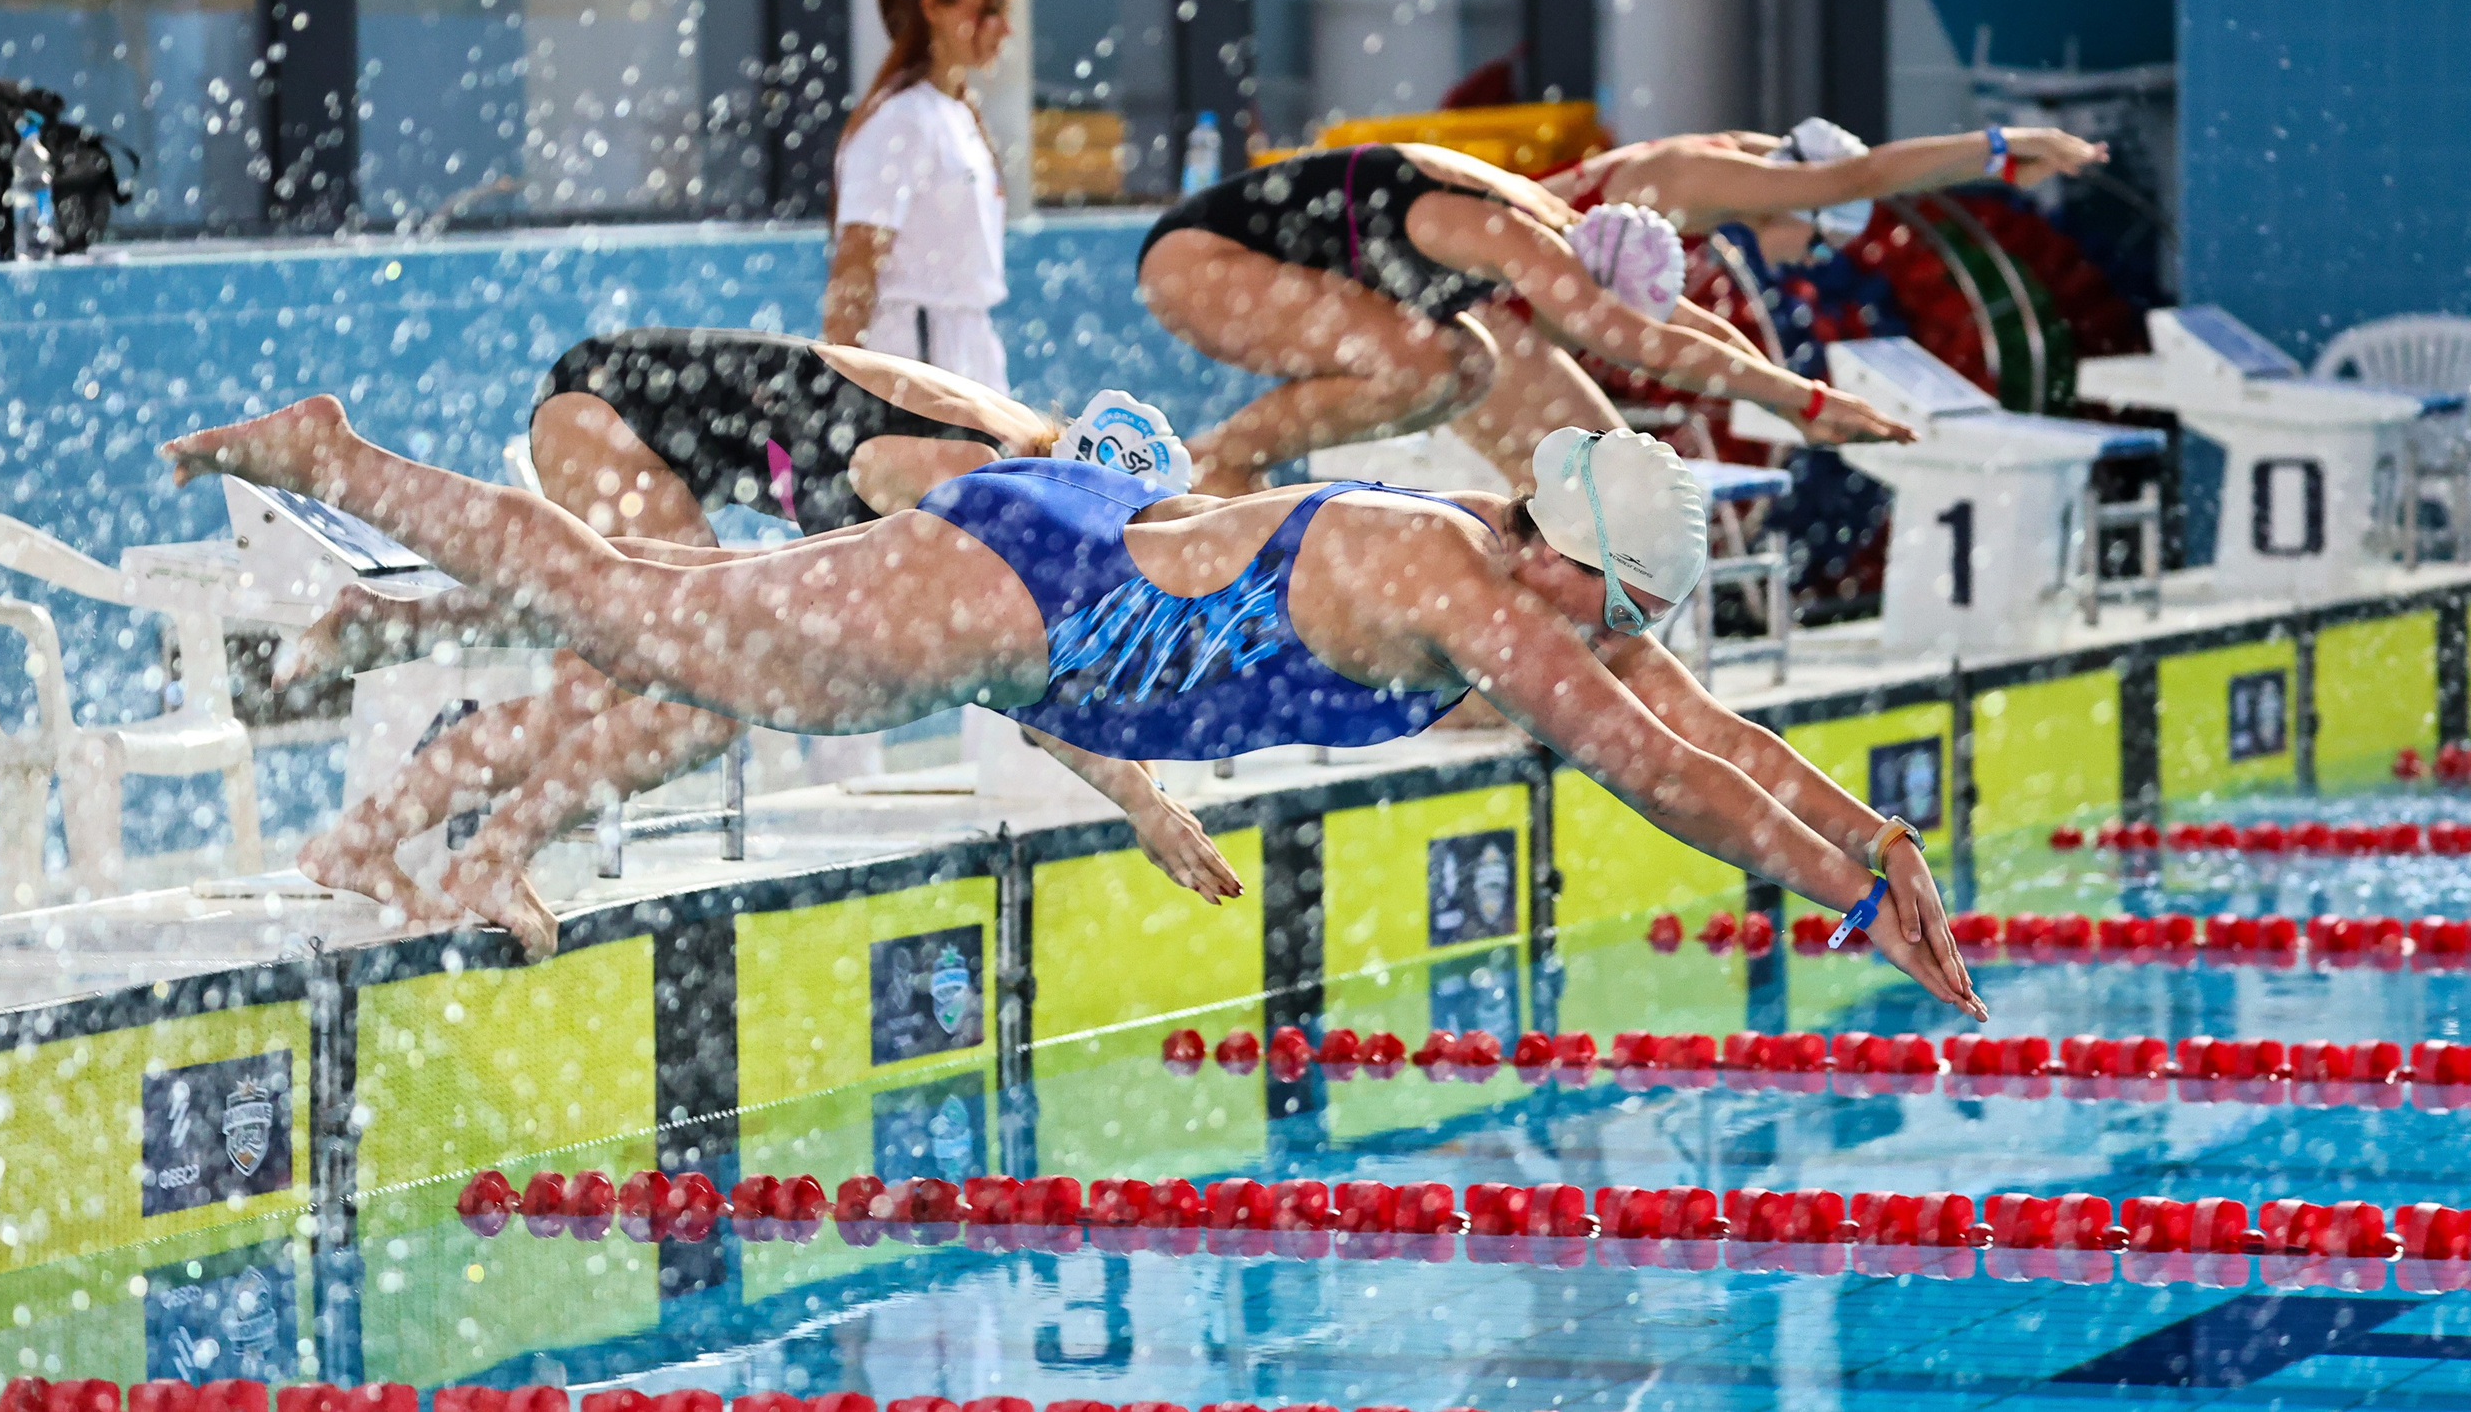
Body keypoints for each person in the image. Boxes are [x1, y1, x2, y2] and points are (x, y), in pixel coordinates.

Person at [164, 397, 1986, 1026]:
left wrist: (1868, 837)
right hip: (1027, 591)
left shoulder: (1521, 580)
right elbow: (1648, 764)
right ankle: (350, 473)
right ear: (1571, 559)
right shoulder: (1454, 587)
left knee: (663, 634)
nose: (1635, 638)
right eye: (1631, 604)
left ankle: (364, 604)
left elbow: (1708, 728)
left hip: (1042, 594)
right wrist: (1829, 897)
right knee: (647, 617)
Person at [279, 332, 1184, 944]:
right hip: (614, 414)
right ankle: (478, 834)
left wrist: (1139, 794)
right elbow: (1006, 679)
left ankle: (367, 831)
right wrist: (1140, 798)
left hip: (626, 409)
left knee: (611, 696)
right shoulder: (966, 474)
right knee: (693, 706)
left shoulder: (1013, 459)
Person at [1136, 142, 1917, 499]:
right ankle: (1217, 458)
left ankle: (1233, 462)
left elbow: (1676, 330)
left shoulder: (1568, 238)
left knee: (1465, 365)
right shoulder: (1513, 234)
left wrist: (1790, 397)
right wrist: (1810, 401)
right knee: (1425, 366)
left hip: (1256, 261)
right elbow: (1636, 340)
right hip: (1196, 263)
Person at [1444, 120, 2114, 473]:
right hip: (1481, 307)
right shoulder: (1715, 177)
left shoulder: (1724, 163)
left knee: (1604, 493)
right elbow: (1863, 172)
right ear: (1806, 206)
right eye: (1820, 244)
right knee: (1607, 497)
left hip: (1501, 299)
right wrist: (1999, 150)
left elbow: (1701, 329)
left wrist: (1792, 403)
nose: (1813, 263)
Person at [826, 0, 1016, 389]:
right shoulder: (900, 120)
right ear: (932, 8)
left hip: (965, 348)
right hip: (919, 354)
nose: (1004, 29)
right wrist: (838, 386)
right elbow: (855, 263)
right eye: (987, 10)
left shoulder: (958, 113)